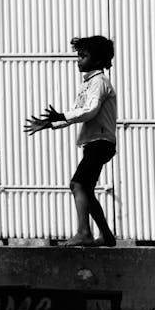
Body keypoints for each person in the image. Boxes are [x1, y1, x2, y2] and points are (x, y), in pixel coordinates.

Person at [24, 36, 117, 247]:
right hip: (93, 142)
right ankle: (106, 236)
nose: (78, 60)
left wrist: (61, 116)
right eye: (79, 55)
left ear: (98, 60)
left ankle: (84, 232)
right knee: (85, 189)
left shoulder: (99, 83)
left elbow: (90, 111)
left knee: (78, 184)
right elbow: (76, 114)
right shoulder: (87, 84)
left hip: (101, 142)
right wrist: (51, 124)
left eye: (83, 56)